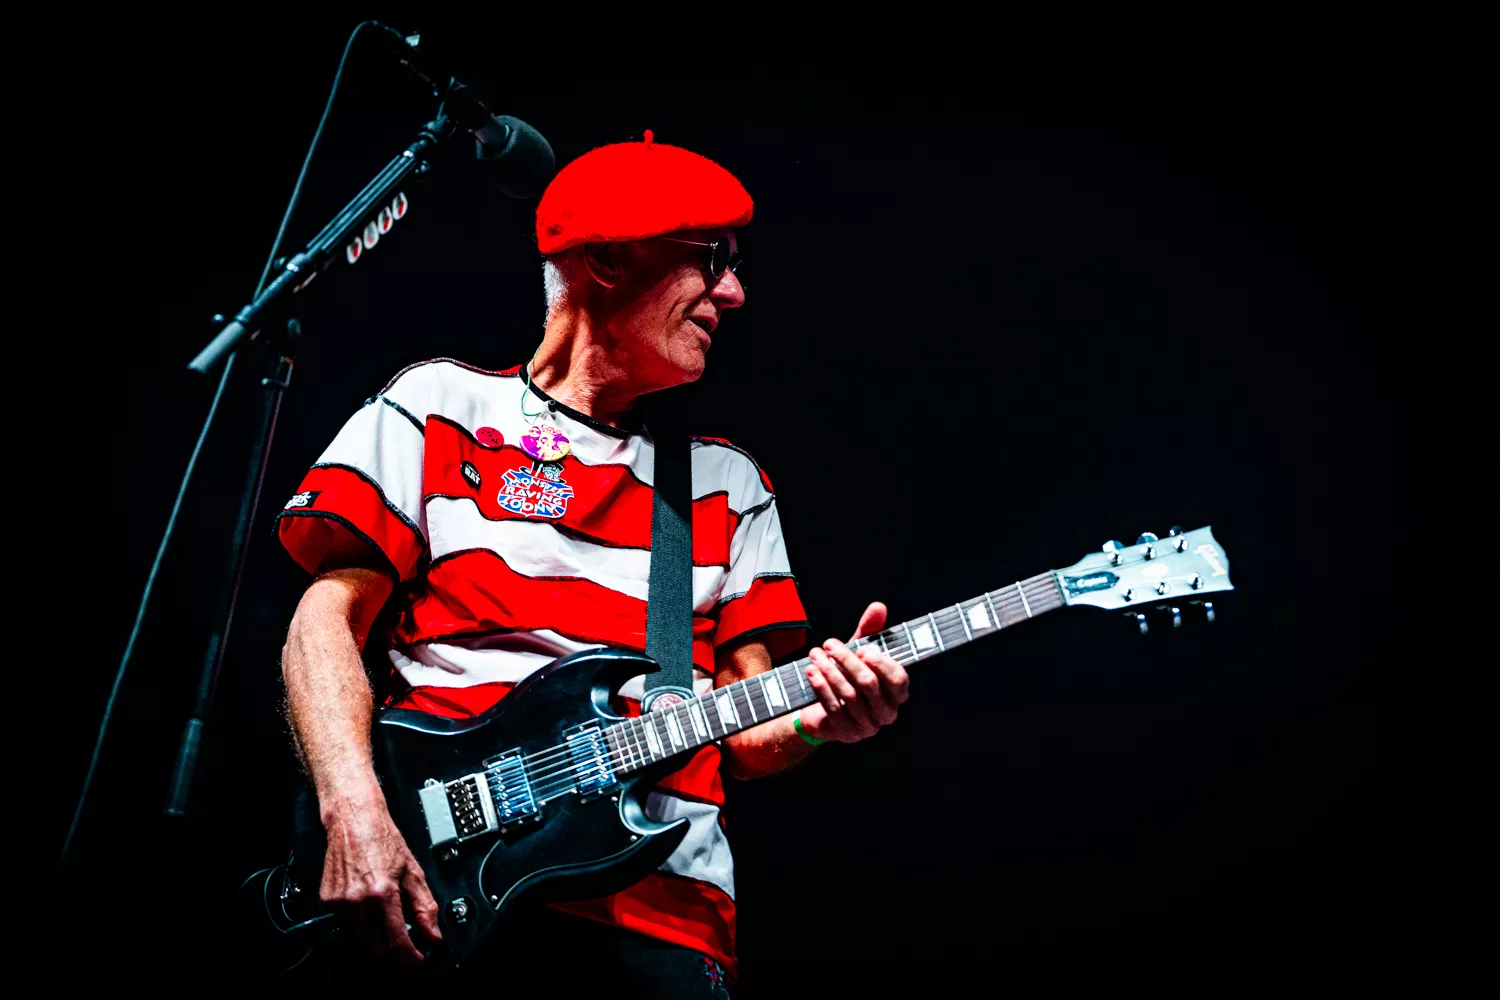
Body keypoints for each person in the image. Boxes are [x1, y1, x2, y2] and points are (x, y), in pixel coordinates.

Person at [277, 131, 910, 996]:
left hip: (658, 924)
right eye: (711, 259)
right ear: (608, 261)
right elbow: (322, 623)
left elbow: (749, 731)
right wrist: (353, 811)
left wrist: (820, 719)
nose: (734, 292)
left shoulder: (728, 485)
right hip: (427, 895)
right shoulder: (437, 405)